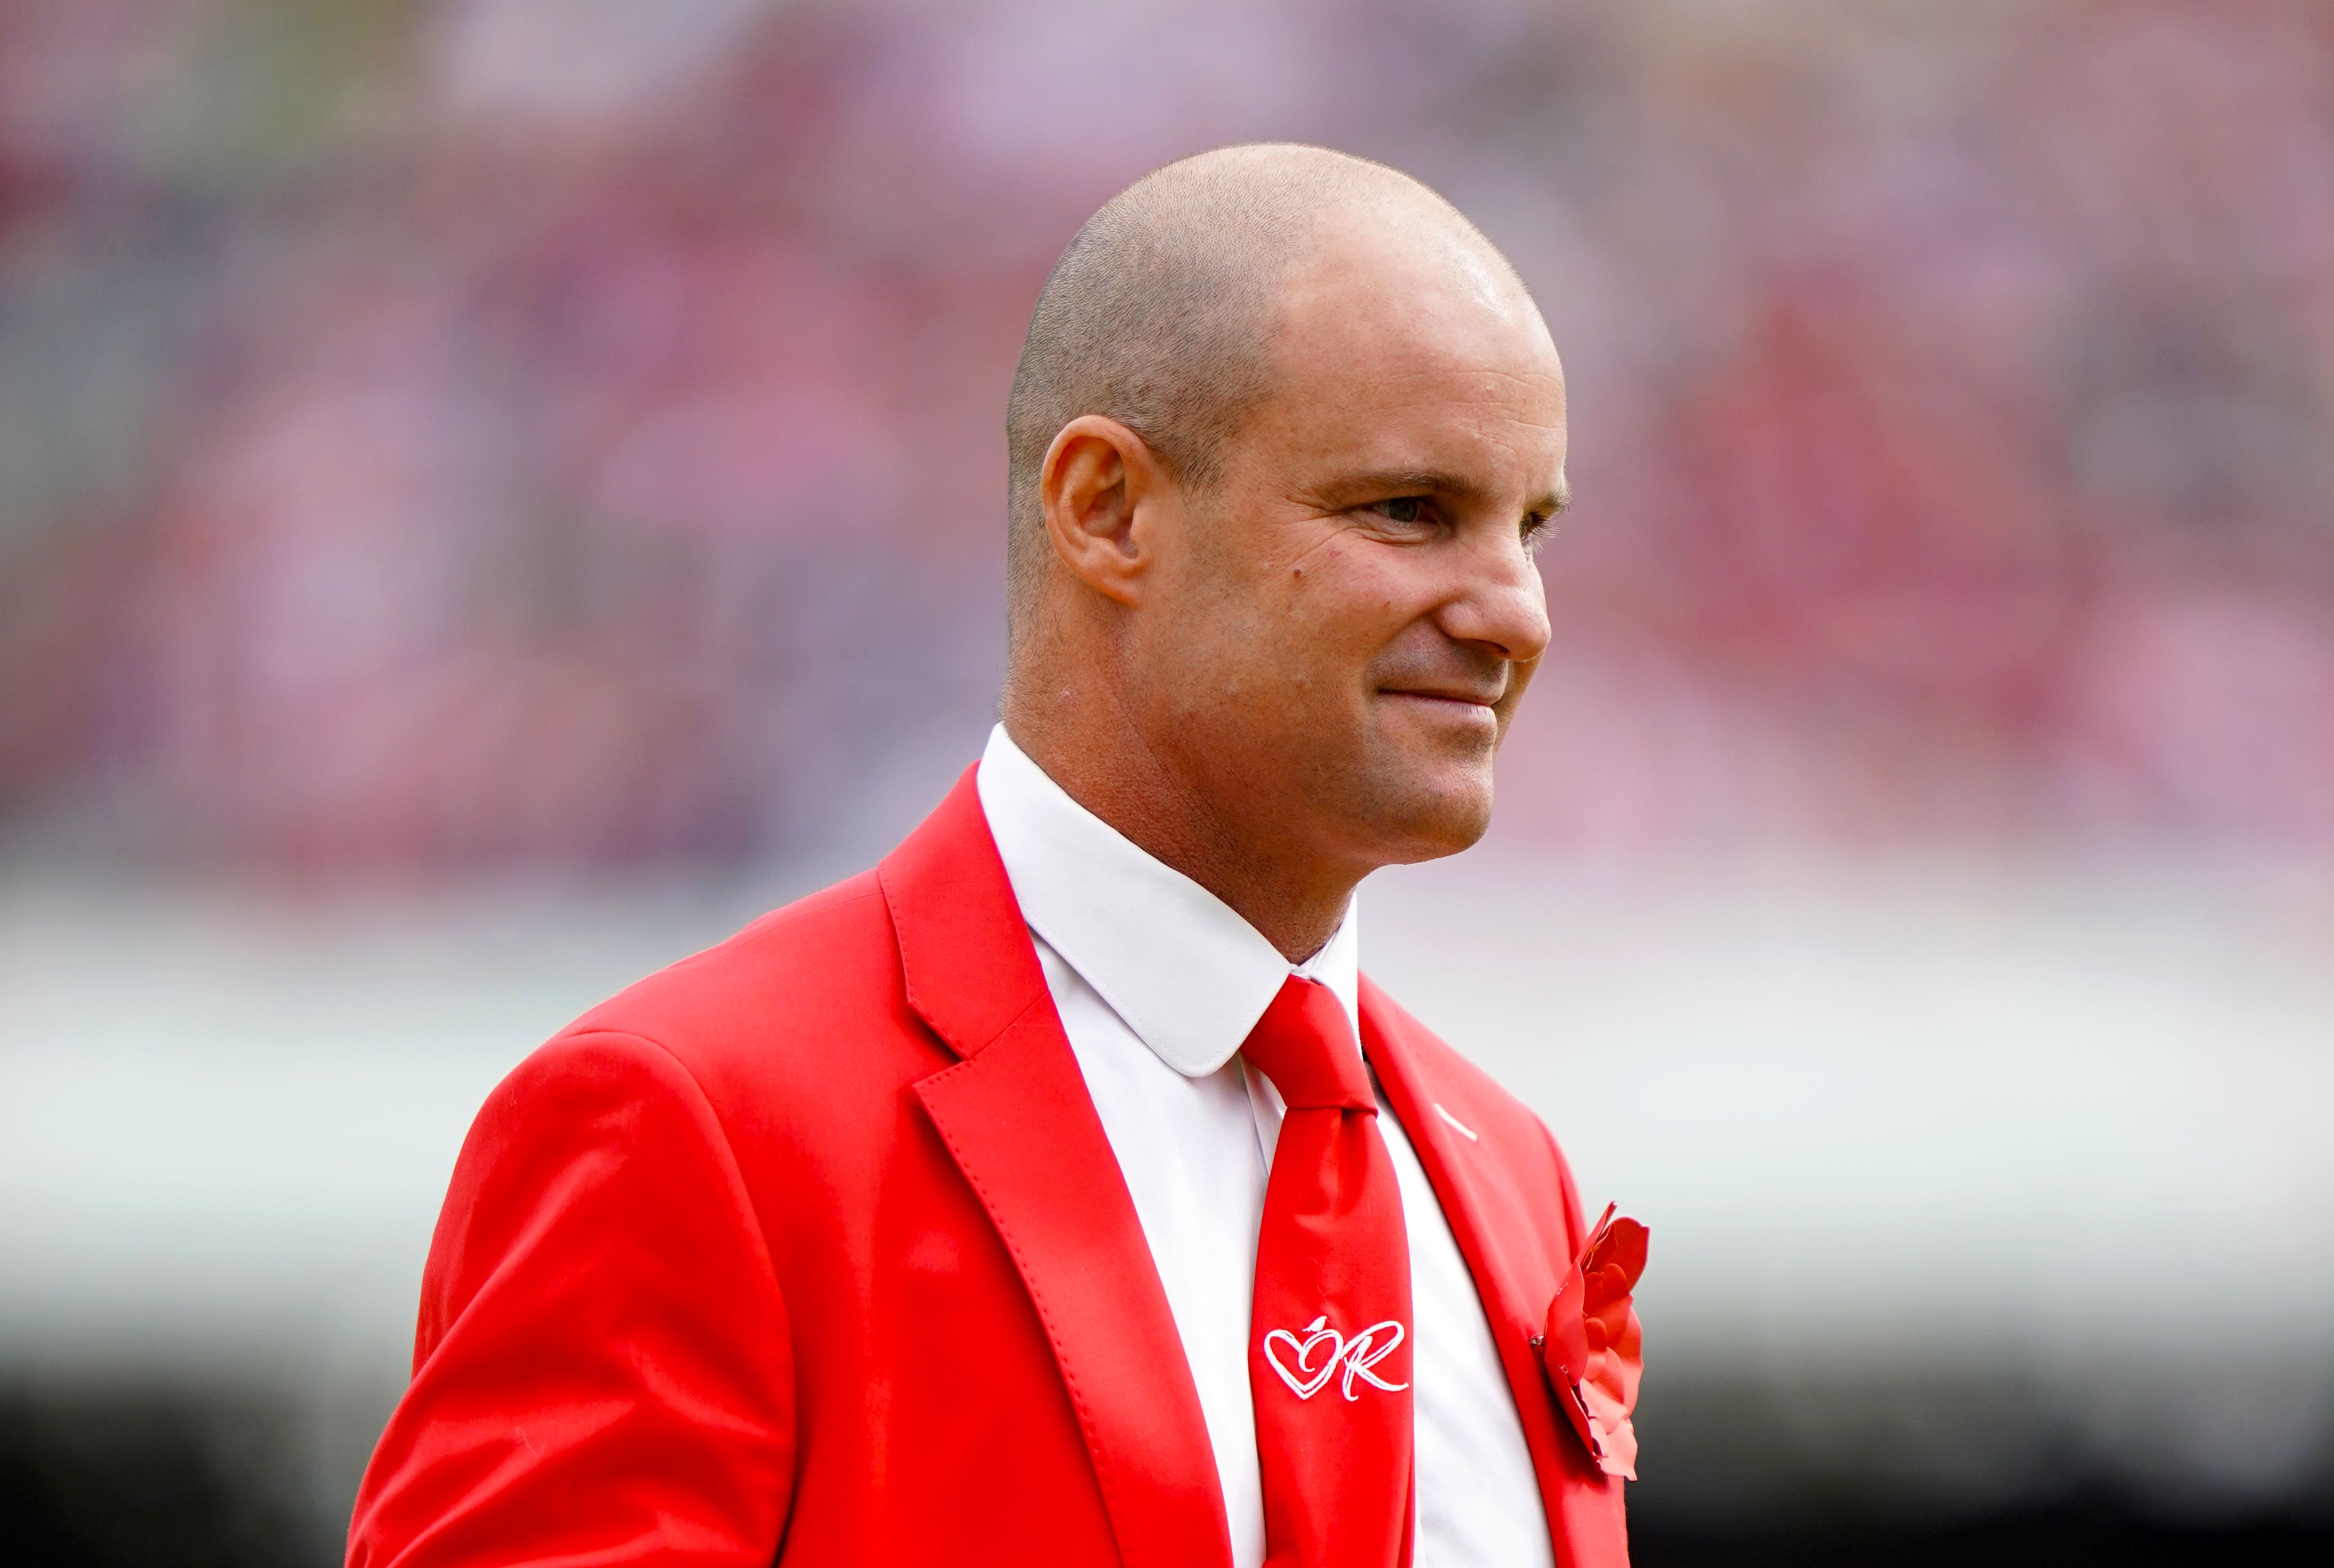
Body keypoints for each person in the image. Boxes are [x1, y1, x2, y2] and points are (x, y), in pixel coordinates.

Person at [347, 142, 1642, 1568]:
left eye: (1530, 527)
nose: (1515, 612)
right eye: (1410, 510)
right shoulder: (694, 1125)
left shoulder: (1517, 1176)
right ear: (1105, 508)